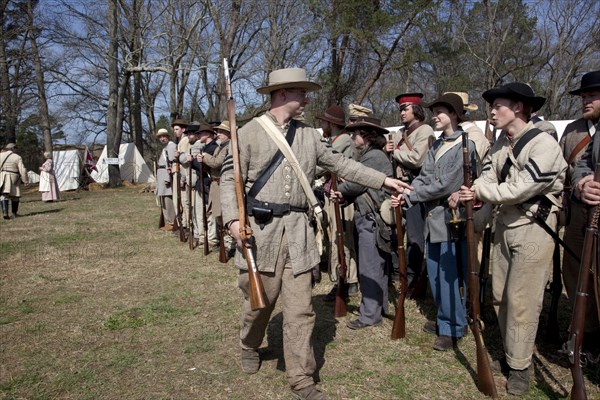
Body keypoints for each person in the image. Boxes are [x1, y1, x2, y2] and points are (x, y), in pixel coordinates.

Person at [220, 67, 409, 400]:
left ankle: (301, 378)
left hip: (299, 233)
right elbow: (227, 177)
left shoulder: (308, 136)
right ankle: (248, 344)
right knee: (259, 304)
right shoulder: (248, 133)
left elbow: (343, 165)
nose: (307, 99)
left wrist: (384, 179)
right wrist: (233, 221)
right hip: (261, 232)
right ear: (282, 95)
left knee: (301, 309)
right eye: (301, 92)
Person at [458, 82, 566, 396]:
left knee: (523, 301)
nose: (492, 112)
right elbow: (489, 177)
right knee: (500, 295)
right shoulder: (501, 145)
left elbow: (518, 189)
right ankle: (512, 352)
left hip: (534, 227)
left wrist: (475, 191)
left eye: (498, 106)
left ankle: (520, 366)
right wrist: (476, 200)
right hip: (505, 225)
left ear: (517, 107)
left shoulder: (544, 145)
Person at [394, 93, 478, 350]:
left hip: (451, 218)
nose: (435, 116)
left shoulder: (466, 145)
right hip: (434, 217)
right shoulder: (437, 144)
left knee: (450, 275)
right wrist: (408, 192)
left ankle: (453, 327)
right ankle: (445, 319)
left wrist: (414, 194)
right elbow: (425, 176)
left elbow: (447, 184)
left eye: (440, 111)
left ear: (454, 114)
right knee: (435, 273)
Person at [331, 117, 393, 330]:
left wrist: (339, 189)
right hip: (371, 216)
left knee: (369, 267)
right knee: (377, 265)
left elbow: (358, 184)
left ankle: (369, 315)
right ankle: (379, 307)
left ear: (367, 136)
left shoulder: (374, 156)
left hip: (371, 218)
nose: (352, 137)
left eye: (356, 133)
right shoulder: (370, 155)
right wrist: (343, 196)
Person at [386, 92, 435, 288]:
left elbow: (417, 159)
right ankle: (398, 270)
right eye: (400, 109)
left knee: (415, 236)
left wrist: (395, 152)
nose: (401, 113)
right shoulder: (399, 133)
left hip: (415, 186)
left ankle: (414, 276)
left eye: (405, 108)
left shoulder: (425, 131)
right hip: (398, 185)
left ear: (416, 109)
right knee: (395, 231)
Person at [567, 70, 600, 350]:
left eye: (592, 95)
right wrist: (581, 183)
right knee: (579, 272)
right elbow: (583, 162)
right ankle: (588, 334)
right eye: (584, 96)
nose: (585, 101)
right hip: (585, 212)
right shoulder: (595, 129)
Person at [316, 105, 360, 301]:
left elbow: (321, 165)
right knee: (336, 237)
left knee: (342, 238)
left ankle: (346, 280)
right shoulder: (335, 140)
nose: (322, 124)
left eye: (324, 121)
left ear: (331, 123)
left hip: (342, 195)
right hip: (333, 192)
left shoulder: (341, 141)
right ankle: (344, 279)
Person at [199, 120, 234, 256]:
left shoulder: (229, 146)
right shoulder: (221, 146)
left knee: (225, 216)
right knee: (218, 215)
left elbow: (217, 163)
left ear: (228, 133)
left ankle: (230, 244)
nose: (218, 134)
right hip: (215, 183)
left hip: (222, 184)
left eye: (221, 131)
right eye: (218, 131)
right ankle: (225, 243)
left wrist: (205, 157)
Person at [444, 91, 490, 160]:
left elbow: (473, 163)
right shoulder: (446, 134)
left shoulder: (474, 133)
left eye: (440, 112)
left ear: (454, 113)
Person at [156, 128, 177, 231]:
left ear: (168, 137)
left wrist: (168, 178)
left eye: (164, 136)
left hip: (166, 176)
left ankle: (172, 222)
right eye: (160, 137)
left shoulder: (171, 146)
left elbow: (172, 163)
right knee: (164, 199)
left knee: (168, 200)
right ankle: (169, 221)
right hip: (162, 175)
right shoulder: (165, 148)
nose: (162, 138)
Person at [0, 143, 29, 219]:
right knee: (15, 195)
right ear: (13, 148)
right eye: (16, 148)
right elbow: (22, 169)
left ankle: (5, 212)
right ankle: (14, 213)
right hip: (13, 176)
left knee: (3, 195)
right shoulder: (17, 157)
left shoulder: (0, 155)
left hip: (2, 176)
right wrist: (25, 180)